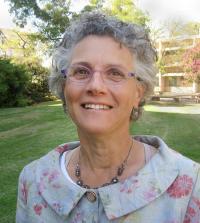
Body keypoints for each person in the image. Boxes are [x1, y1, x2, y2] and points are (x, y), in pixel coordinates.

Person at [16, 11, 200, 223]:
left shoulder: (189, 185)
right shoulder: (32, 181)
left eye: (115, 73)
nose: (95, 86)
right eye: (81, 71)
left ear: (138, 92)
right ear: (64, 85)